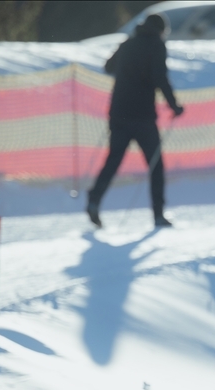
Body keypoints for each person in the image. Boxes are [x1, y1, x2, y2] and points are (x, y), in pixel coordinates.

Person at [86, 13, 183, 229]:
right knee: (155, 166)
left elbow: (108, 67)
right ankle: (158, 214)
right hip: (143, 117)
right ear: (160, 31)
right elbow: (161, 78)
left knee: (113, 161)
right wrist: (174, 105)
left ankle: (94, 199)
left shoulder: (128, 43)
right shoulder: (156, 46)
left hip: (118, 112)